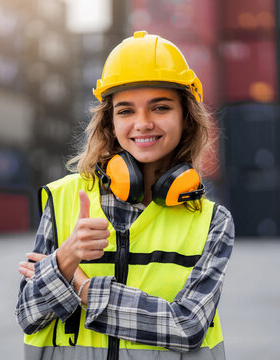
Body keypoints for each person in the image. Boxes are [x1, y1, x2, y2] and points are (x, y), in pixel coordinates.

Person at [15, 31, 235, 360]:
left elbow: (187, 327)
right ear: (110, 122)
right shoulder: (66, 199)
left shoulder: (211, 223)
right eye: (126, 111)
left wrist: (84, 287)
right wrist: (66, 258)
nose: (142, 123)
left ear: (186, 119)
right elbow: (29, 315)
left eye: (160, 107)